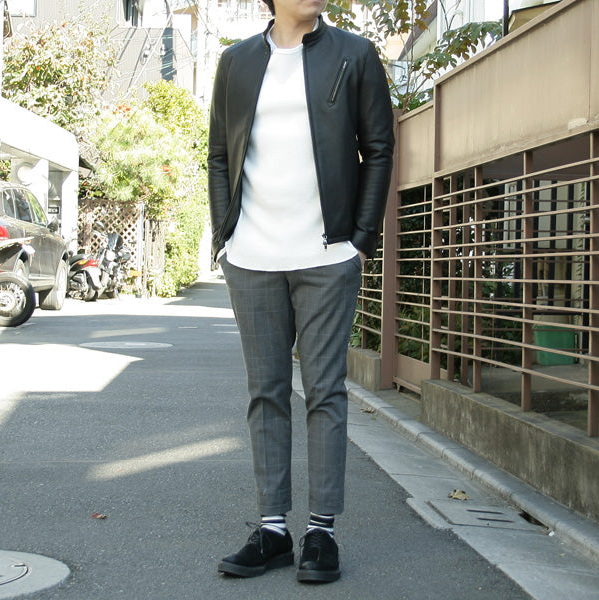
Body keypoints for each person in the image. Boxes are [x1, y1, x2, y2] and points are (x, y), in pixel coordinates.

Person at [208, 0, 394, 584]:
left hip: (327, 256)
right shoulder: (236, 62)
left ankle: (321, 532)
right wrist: (224, 237)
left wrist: (360, 240)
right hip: (252, 258)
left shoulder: (354, 54)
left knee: (325, 392)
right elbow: (218, 154)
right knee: (265, 393)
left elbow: (379, 148)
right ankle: (272, 531)